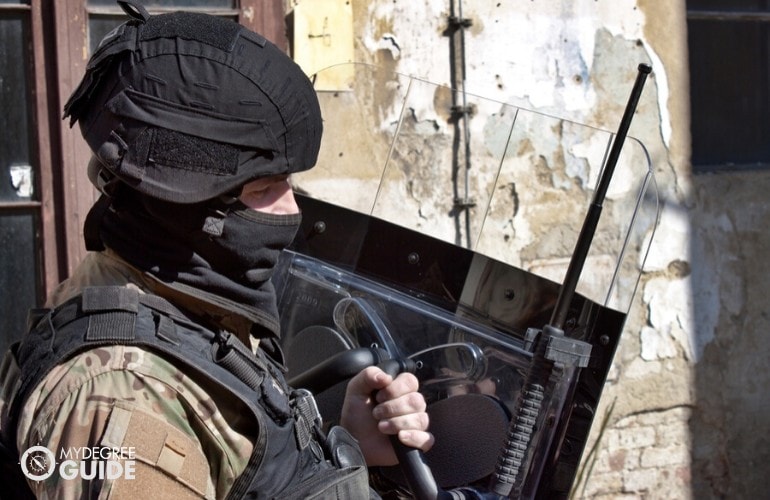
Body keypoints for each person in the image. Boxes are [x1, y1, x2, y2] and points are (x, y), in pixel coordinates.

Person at [0, 1, 432, 498]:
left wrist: (347, 441)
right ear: (182, 210)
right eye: (260, 190)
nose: (290, 209)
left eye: (287, 181)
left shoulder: (186, 299)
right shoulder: (122, 403)